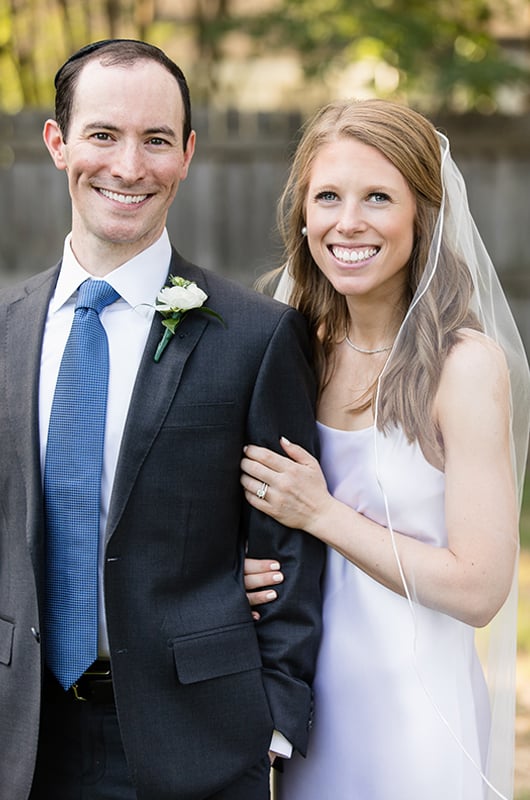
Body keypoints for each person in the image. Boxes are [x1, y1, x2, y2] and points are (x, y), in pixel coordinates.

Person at [0, 39, 325, 800]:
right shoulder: (6, 331)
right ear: (59, 143)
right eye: (104, 135)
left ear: (187, 154)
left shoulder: (255, 335)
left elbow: (293, 548)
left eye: (155, 140)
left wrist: (271, 723)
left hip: (197, 744)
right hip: (21, 744)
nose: (128, 166)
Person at [241, 98, 530, 800]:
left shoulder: (463, 367)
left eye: (378, 197)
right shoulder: (286, 352)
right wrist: (238, 574)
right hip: (305, 719)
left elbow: (480, 587)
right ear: (303, 212)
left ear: (421, 214)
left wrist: (323, 513)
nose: (349, 222)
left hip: (417, 724)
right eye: (329, 196)